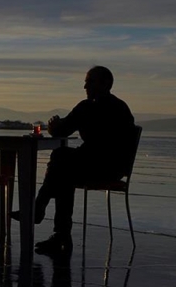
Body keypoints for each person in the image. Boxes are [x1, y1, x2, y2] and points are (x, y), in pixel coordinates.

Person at [13, 66, 135, 255]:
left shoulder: (88, 107)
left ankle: (42, 213)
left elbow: (62, 130)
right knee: (64, 170)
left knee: (61, 159)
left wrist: (53, 127)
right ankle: (56, 231)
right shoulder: (122, 108)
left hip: (98, 167)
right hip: (115, 169)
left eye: (90, 81)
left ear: (106, 84)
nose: (85, 86)